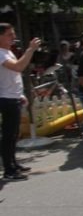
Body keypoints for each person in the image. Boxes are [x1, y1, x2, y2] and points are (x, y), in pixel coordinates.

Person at [0, 24, 41, 180]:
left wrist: (20, 94)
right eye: (9, 34)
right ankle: (9, 170)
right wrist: (30, 50)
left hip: (13, 97)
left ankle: (13, 163)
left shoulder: (7, 51)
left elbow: (12, 77)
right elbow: (18, 67)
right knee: (9, 135)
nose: (13, 37)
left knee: (13, 134)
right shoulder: (0, 53)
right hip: (6, 99)